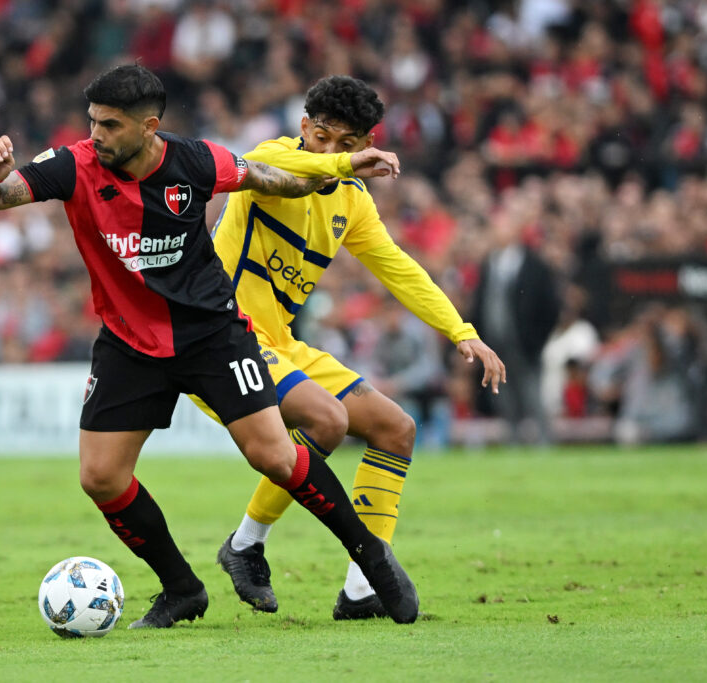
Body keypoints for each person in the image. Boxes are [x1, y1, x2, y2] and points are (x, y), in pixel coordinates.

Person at [0, 65, 419, 628]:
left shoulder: (196, 161)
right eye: (93, 121)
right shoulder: (73, 165)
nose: (96, 134)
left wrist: (342, 168)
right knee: (100, 477)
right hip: (129, 342)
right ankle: (182, 589)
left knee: (275, 455)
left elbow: (276, 179)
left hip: (211, 334)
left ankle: (371, 559)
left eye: (110, 124)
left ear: (148, 126)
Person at [201, 75, 505, 619]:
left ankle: (361, 591)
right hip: (221, 338)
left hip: (280, 343)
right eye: (321, 136)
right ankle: (246, 544)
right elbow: (270, 163)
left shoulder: (352, 202)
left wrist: (463, 332)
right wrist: (343, 163)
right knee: (327, 420)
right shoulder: (270, 162)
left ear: (367, 144)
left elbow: (399, 270)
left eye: (347, 143)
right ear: (303, 127)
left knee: (395, 428)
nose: (329, 151)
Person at [470, 207, 559, 444]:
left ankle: (543, 443)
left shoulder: (534, 264)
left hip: (525, 344)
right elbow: (480, 304)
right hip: (496, 342)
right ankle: (512, 443)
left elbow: (550, 305)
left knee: (532, 394)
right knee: (504, 395)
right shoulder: (489, 263)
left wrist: (537, 339)